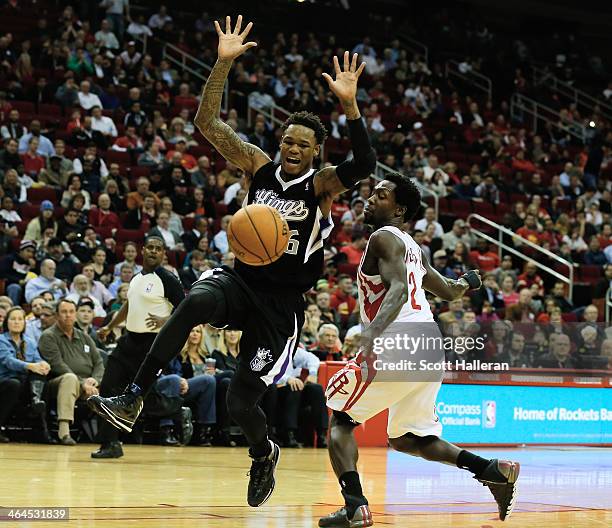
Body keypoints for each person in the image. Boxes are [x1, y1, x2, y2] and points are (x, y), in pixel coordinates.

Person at [88, 15, 376, 508]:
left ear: (315, 152)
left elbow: (365, 165)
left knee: (240, 401)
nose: (291, 149)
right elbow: (207, 123)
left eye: (302, 145)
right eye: (287, 140)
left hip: (280, 307)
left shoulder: (323, 185)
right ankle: (133, 395)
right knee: (195, 300)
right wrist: (222, 65)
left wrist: (350, 107)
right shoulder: (258, 165)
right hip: (239, 281)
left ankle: (263, 452)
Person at [320, 174, 519, 527]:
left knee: (341, 418)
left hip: (399, 340)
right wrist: (468, 282)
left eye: (380, 195)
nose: (369, 197)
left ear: (399, 210)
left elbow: (397, 290)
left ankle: (355, 505)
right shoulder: (414, 248)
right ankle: (491, 470)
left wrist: (372, 335)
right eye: (372, 192)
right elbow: (448, 291)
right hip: (429, 344)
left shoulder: (383, 238)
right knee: (408, 438)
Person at [90, 236, 184, 458]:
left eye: (158, 249)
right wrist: (110, 326)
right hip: (128, 341)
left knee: (141, 399)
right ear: (143, 251)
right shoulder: (136, 278)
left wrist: (165, 321)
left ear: (163, 254)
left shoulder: (167, 278)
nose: (153, 251)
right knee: (108, 390)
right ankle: (110, 444)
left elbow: (186, 306)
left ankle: (178, 409)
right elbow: (129, 304)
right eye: (150, 247)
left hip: (151, 346)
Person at [39, 299, 105, 445]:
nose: (68, 315)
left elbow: (99, 362)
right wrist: (83, 383)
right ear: (56, 315)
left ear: (75, 315)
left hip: (88, 384)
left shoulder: (84, 337)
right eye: (64, 312)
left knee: (114, 382)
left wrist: (95, 380)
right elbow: (58, 366)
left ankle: (112, 435)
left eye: (71, 312)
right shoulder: (48, 336)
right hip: (58, 384)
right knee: (69, 378)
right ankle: (64, 432)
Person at [0, 307, 53, 443]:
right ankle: (35, 405)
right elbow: (8, 361)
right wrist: (30, 366)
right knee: (15, 384)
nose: (16, 322)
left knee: (42, 377)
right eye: (13, 319)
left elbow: (37, 358)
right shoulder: (1, 340)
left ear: (24, 323)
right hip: (6, 381)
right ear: (7, 322)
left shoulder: (30, 342)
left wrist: (43, 364)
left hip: (25, 384)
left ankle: (41, 429)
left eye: (20, 319)